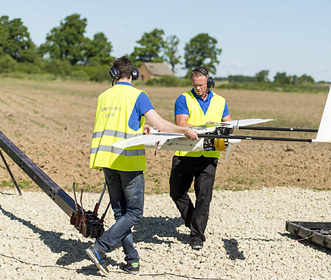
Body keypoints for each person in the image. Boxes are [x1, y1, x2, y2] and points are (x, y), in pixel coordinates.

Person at [86, 56, 198, 275]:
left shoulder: (103, 96)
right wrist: (184, 130)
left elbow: (118, 124)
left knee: (121, 215)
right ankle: (100, 248)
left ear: (113, 74)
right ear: (134, 74)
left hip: (107, 160)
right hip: (128, 161)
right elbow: (162, 124)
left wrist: (141, 129)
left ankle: (132, 261)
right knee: (135, 213)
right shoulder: (138, 95)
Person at [169, 66, 232, 250]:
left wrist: (221, 126)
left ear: (208, 81)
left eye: (202, 85)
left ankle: (197, 235)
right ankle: (193, 221)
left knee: (204, 196)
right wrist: (205, 126)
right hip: (185, 153)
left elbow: (228, 124)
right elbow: (181, 123)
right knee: (176, 192)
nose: (198, 88)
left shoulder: (220, 101)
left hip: (209, 155)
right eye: (195, 85)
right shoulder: (184, 98)